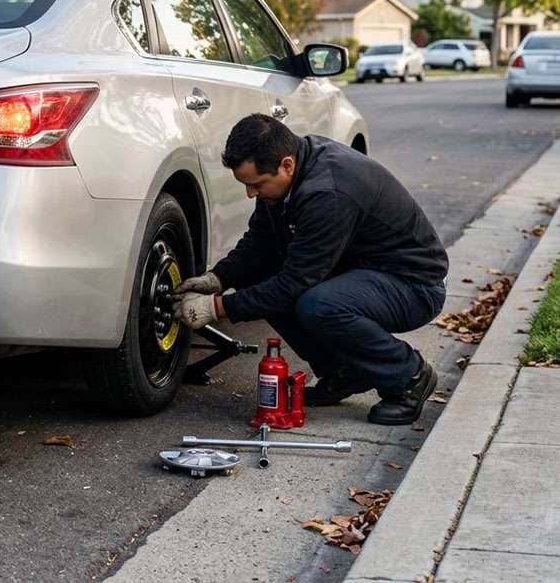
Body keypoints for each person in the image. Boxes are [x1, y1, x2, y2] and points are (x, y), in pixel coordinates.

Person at [172, 114, 448, 425]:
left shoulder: (326, 193)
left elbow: (293, 284)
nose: (251, 194)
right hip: (364, 272)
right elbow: (260, 243)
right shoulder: (289, 175)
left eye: (256, 184)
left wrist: (216, 308)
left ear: (286, 165)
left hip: (413, 285)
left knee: (318, 305)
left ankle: (408, 375)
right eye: (247, 185)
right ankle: (345, 373)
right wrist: (218, 278)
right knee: (265, 279)